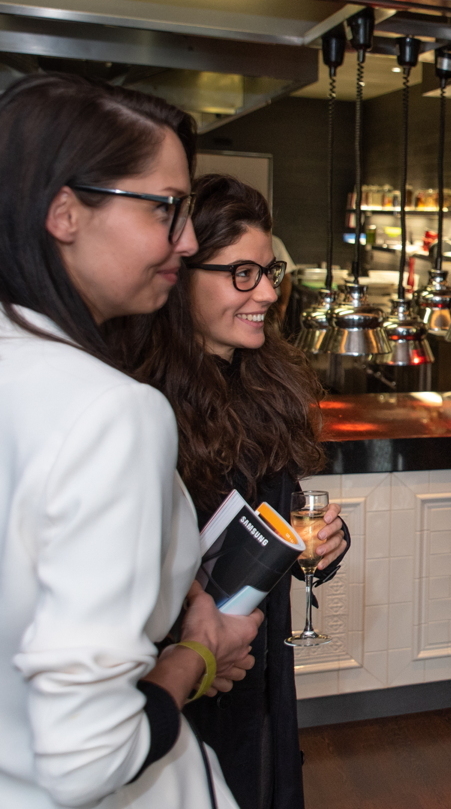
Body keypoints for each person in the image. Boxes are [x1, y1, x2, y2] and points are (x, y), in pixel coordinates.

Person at [0, 73, 261, 809]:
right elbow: (90, 756)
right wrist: (199, 654)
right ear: (64, 213)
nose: (186, 239)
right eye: (164, 208)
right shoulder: (111, 411)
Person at [114, 174, 350, 809]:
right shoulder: (137, 407)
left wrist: (323, 545)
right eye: (242, 274)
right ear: (179, 277)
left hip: (259, 673)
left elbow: (280, 512)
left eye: (268, 271)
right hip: (181, 684)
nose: (268, 292)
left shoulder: (266, 382)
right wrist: (192, 654)